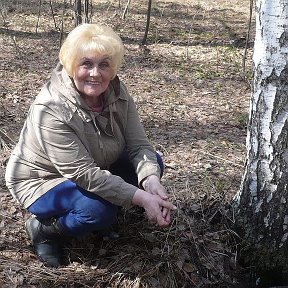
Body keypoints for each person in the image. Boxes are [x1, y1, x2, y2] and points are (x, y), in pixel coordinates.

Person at [5, 23, 176, 268]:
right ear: (72, 64)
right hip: (42, 179)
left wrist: (151, 181)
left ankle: (107, 213)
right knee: (98, 211)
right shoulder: (51, 108)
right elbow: (84, 174)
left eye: (104, 64)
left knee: (153, 164)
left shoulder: (116, 91)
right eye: (86, 63)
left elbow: (140, 146)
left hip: (95, 162)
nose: (95, 73)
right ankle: (46, 230)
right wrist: (141, 198)